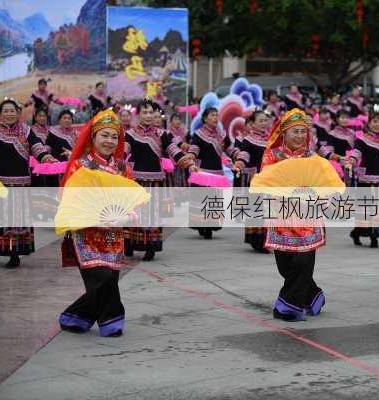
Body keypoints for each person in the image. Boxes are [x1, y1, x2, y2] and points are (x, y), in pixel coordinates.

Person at [58, 108, 134, 337]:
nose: (109, 141)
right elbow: (70, 199)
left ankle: (75, 317)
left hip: (113, 232)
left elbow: (133, 201)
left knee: (108, 278)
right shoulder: (79, 166)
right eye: (104, 135)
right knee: (100, 278)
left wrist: (125, 215)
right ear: (93, 137)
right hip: (86, 232)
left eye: (114, 136)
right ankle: (112, 321)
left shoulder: (123, 168)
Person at [261, 108, 326, 321]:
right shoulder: (272, 155)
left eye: (302, 132)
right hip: (281, 217)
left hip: (307, 218)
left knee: (303, 261)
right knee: (285, 265)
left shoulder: (312, 157)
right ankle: (313, 295)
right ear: (284, 133)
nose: (299, 136)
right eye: (294, 132)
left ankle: (290, 306)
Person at [124, 100, 192, 260]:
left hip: (156, 180)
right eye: (145, 112)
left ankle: (150, 248)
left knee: (153, 215)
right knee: (134, 214)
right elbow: (122, 152)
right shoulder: (130, 134)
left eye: (151, 112)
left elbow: (173, 150)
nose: (148, 116)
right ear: (138, 115)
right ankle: (129, 244)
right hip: (136, 181)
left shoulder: (163, 134)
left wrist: (188, 161)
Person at [0, 99, 55, 268]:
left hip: (21, 183)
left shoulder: (27, 131)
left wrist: (46, 157)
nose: (9, 114)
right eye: (6, 111)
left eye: (12, 111)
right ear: (0, 114)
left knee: (16, 220)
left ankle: (14, 254)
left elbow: (37, 147)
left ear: (18, 113)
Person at [187, 107, 245, 239]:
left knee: (213, 200)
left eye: (216, 115)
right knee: (201, 200)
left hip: (217, 173)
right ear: (205, 118)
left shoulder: (221, 135)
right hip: (202, 173)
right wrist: (190, 158)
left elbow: (231, 149)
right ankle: (202, 226)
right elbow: (193, 150)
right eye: (212, 115)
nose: (215, 118)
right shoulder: (198, 134)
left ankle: (210, 225)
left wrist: (239, 157)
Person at [347, 112, 379, 248]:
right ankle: (360, 233)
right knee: (366, 209)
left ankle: (374, 234)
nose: (377, 124)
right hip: (366, 179)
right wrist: (352, 160)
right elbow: (356, 153)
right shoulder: (362, 140)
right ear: (369, 123)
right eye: (375, 121)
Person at [234, 110, 270, 253]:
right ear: (253, 123)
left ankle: (267, 240)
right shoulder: (248, 139)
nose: (264, 123)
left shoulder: (271, 139)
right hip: (256, 179)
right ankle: (257, 241)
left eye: (265, 120)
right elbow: (244, 154)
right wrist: (240, 164)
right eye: (260, 120)